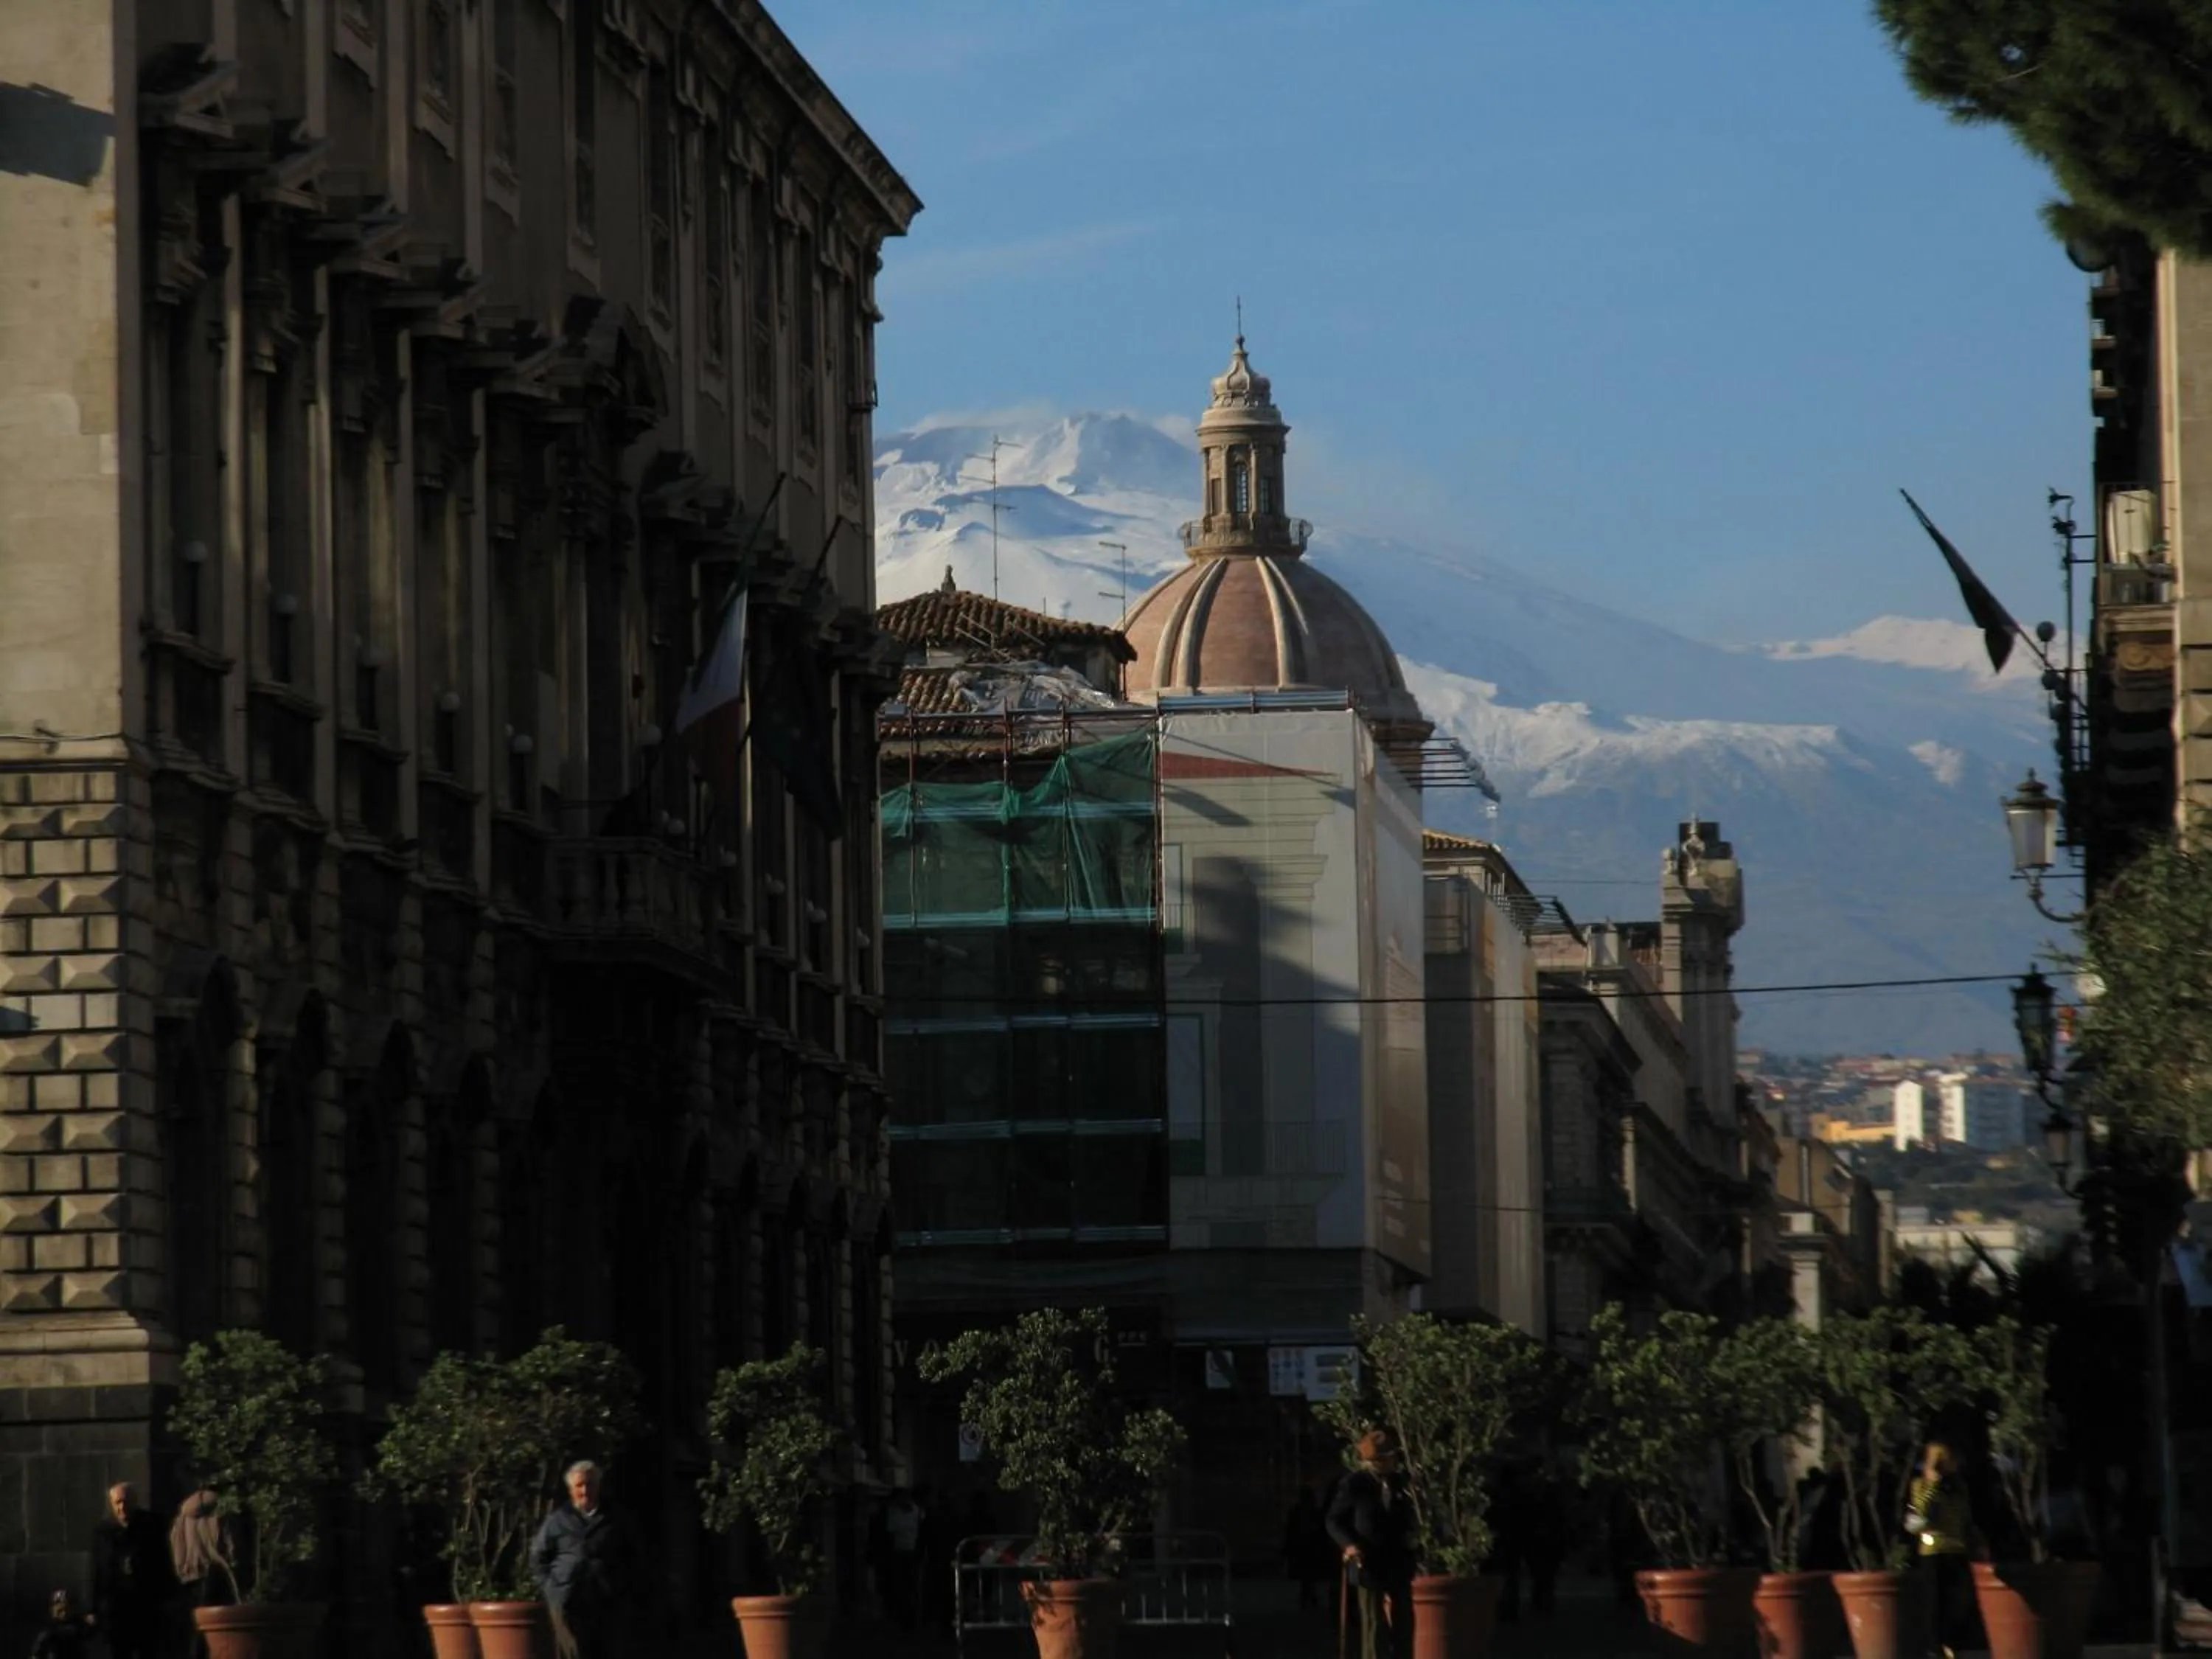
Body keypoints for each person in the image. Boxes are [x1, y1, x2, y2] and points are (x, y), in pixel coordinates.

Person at [532, 1461, 642, 1659]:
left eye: (590, 1484)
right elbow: (539, 1557)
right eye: (579, 1486)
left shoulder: (616, 1517)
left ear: (598, 1486)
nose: (585, 1491)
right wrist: (551, 1587)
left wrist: (624, 1585)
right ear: (571, 1489)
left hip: (607, 1598)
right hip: (568, 1598)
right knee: (574, 1652)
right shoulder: (558, 1520)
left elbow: (634, 1555)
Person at [1326, 1430, 1415, 1659]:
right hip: (1368, 1561)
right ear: (1375, 1461)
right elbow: (1333, 1519)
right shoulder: (1355, 1484)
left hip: (1398, 1558)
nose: (1393, 1462)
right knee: (1375, 1622)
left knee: (1404, 1619)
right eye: (1388, 1458)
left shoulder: (1401, 1482)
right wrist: (1349, 1545)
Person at [1905, 1441, 1980, 1659]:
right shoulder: (1920, 1485)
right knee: (1935, 1603)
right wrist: (1932, 1483)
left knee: (1959, 1601)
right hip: (1933, 1551)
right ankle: (1936, 1649)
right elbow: (1921, 1510)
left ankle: (1952, 1643)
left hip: (1957, 1549)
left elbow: (1966, 1518)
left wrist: (1976, 1541)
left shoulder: (1959, 1488)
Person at [90, 1483, 175, 1659]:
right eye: (118, 1503)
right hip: (116, 1608)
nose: (122, 1508)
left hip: (146, 1605)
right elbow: (97, 1571)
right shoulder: (103, 1533)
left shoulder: (152, 1526)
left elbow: (164, 1563)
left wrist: (167, 1598)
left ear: (135, 1502)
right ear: (112, 1504)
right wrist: (93, 1608)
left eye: (126, 1502)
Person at [880, 1488, 924, 1630]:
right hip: (899, 1551)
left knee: (911, 1583)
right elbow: (891, 1533)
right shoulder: (894, 1511)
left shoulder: (916, 1511)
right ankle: (903, 1613)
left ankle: (912, 1613)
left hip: (911, 1551)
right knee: (901, 1584)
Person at [1282, 1487, 1330, 1612]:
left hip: (1304, 1547)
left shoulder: (1298, 1511)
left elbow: (1290, 1531)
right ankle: (1309, 1597)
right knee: (1309, 1575)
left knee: (1307, 1576)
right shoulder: (1311, 1511)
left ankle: (1308, 1597)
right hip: (1308, 1547)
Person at [29, 1589, 91, 1659]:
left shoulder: (77, 1629)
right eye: (60, 1611)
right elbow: (35, 1655)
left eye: (67, 1610)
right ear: (53, 1610)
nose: (64, 1614)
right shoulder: (47, 1633)